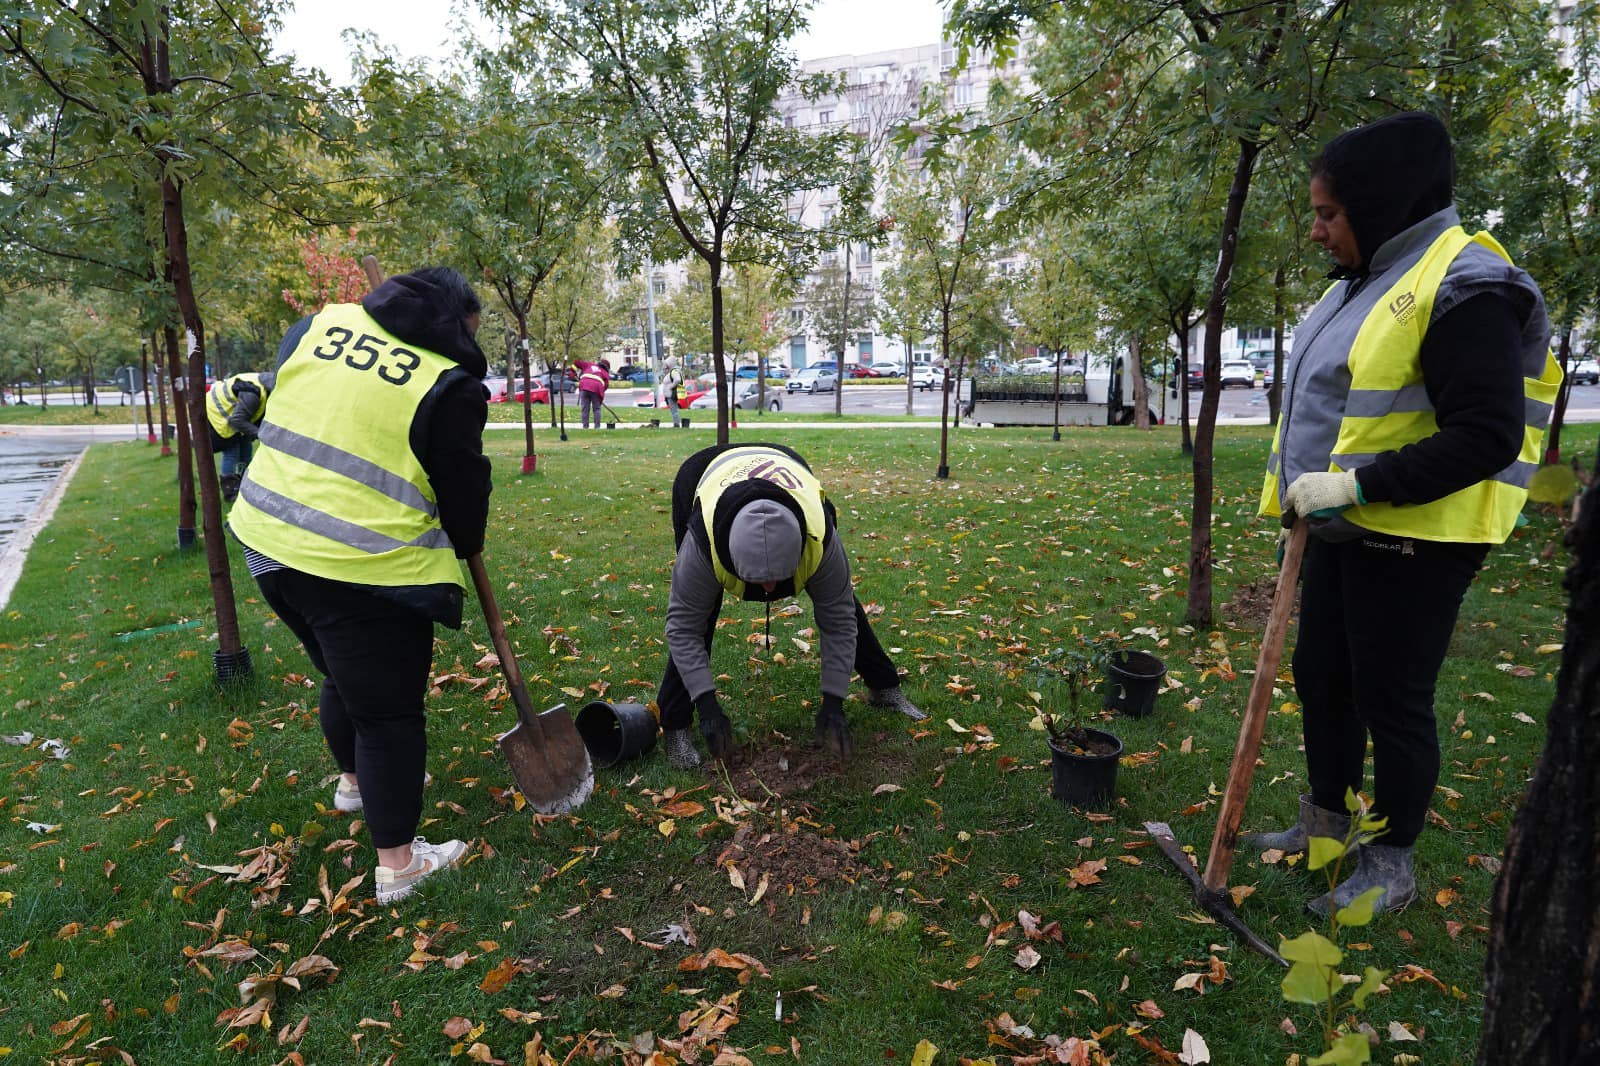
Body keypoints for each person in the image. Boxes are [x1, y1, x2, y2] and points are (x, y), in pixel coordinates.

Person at [1248, 112, 1562, 915]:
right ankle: (1324, 825)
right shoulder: (1366, 279)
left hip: (1416, 538)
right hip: (1340, 530)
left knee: (1391, 697)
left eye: (1327, 213)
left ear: (1380, 204)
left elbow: (1487, 433)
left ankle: (1390, 865)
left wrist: (1356, 486)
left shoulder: (1467, 284)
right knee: (1323, 675)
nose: (1315, 231)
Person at [228, 267, 493, 904]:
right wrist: (467, 537)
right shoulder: (447, 384)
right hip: (359, 568)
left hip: (267, 542)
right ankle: (400, 865)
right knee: (389, 715)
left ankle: (354, 784)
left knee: (342, 678)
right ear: (455, 323)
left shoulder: (319, 325)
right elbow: (462, 493)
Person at [657, 442, 928, 769]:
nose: (770, 590)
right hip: (702, 473)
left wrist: (833, 702)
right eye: (759, 582)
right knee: (699, 614)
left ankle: (884, 688)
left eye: (778, 579)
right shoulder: (701, 545)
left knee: (840, 601)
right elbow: (683, 627)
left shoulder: (819, 533)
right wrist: (708, 705)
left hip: (786, 464)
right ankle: (676, 725)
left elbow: (838, 621)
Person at [206, 371, 274, 502]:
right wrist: (260, 434)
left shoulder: (263, 386)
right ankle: (230, 491)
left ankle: (246, 485)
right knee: (232, 451)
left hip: (229, 415)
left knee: (246, 449)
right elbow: (237, 420)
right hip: (216, 416)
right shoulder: (253, 394)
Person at [574, 357, 610, 428]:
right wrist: (599, 396)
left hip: (584, 385)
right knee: (596, 409)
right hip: (596, 388)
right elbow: (605, 386)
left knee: (585, 408)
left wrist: (572, 370)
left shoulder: (589, 365)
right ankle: (597, 427)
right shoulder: (605, 373)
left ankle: (585, 427)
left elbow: (576, 362)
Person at [660, 355, 684, 427]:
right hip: (669, 394)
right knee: (673, 409)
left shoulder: (674, 372)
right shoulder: (671, 372)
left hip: (671, 394)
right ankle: (676, 423)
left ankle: (676, 424)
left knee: (674, 410)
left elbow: (677, 380)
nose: (665, 368)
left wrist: (671, 386)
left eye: (666, 366)